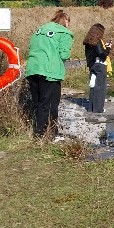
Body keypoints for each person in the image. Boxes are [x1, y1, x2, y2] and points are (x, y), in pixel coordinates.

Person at [26, 10, 74, 139]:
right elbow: (64, 54)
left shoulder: (39, 30)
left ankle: (39, 131)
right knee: (50, 104)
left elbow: (31, 47)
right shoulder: (64, 33)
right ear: (66, 21)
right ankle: (46, 135)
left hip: (32, 69)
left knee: (38, 104)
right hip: (50, 72)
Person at [84, 23, 112, 113]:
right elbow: (102, 54)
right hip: (100, 66)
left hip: (92, 65)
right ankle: (98, 109)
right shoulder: (98, 41)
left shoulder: (87, 41)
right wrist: (108, 48)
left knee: (93, 86)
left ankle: (91, 108)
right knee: (100, 87)